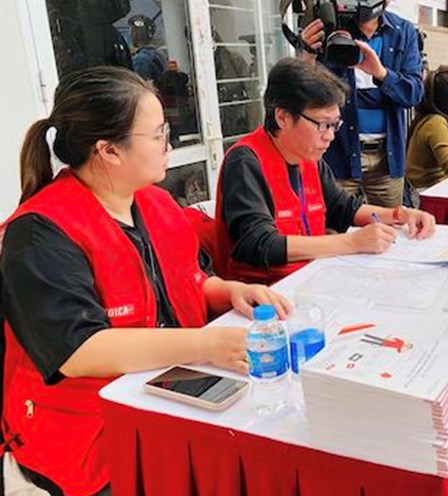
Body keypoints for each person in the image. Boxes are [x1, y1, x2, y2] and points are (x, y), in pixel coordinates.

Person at [0, 66, 291, 496]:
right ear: (109, 151)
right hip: (88, 432)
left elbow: (192, 278)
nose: (167, 145)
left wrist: (230, 291)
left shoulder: (154, 202)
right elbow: (78, 350)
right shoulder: (39, 233)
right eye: (157, 134)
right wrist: (205, 344)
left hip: (170, 391)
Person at [216, 58, 436, 285]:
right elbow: (259, 243)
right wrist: (352, 242)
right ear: (282, 117)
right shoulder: (245, 161)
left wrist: (400, 215)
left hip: (310, 278)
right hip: (265, 296)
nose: (330, 135)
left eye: (335, 125)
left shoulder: (309, 158)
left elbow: (343, 208)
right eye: (322, 124)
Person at [299, 2, 423, 207]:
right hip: (339, 154)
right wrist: (307, 56)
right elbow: (304, 94)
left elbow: (414, 94)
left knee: (390, 230)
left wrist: (381, 74)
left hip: (387, 159)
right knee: (336, 231)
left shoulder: (403, 32)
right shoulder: (330, 28)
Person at [129, 14, 167, 83]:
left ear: (135, 34)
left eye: (132, 31)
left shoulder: (141, 60)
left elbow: (141, 87)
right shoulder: (160, 54)